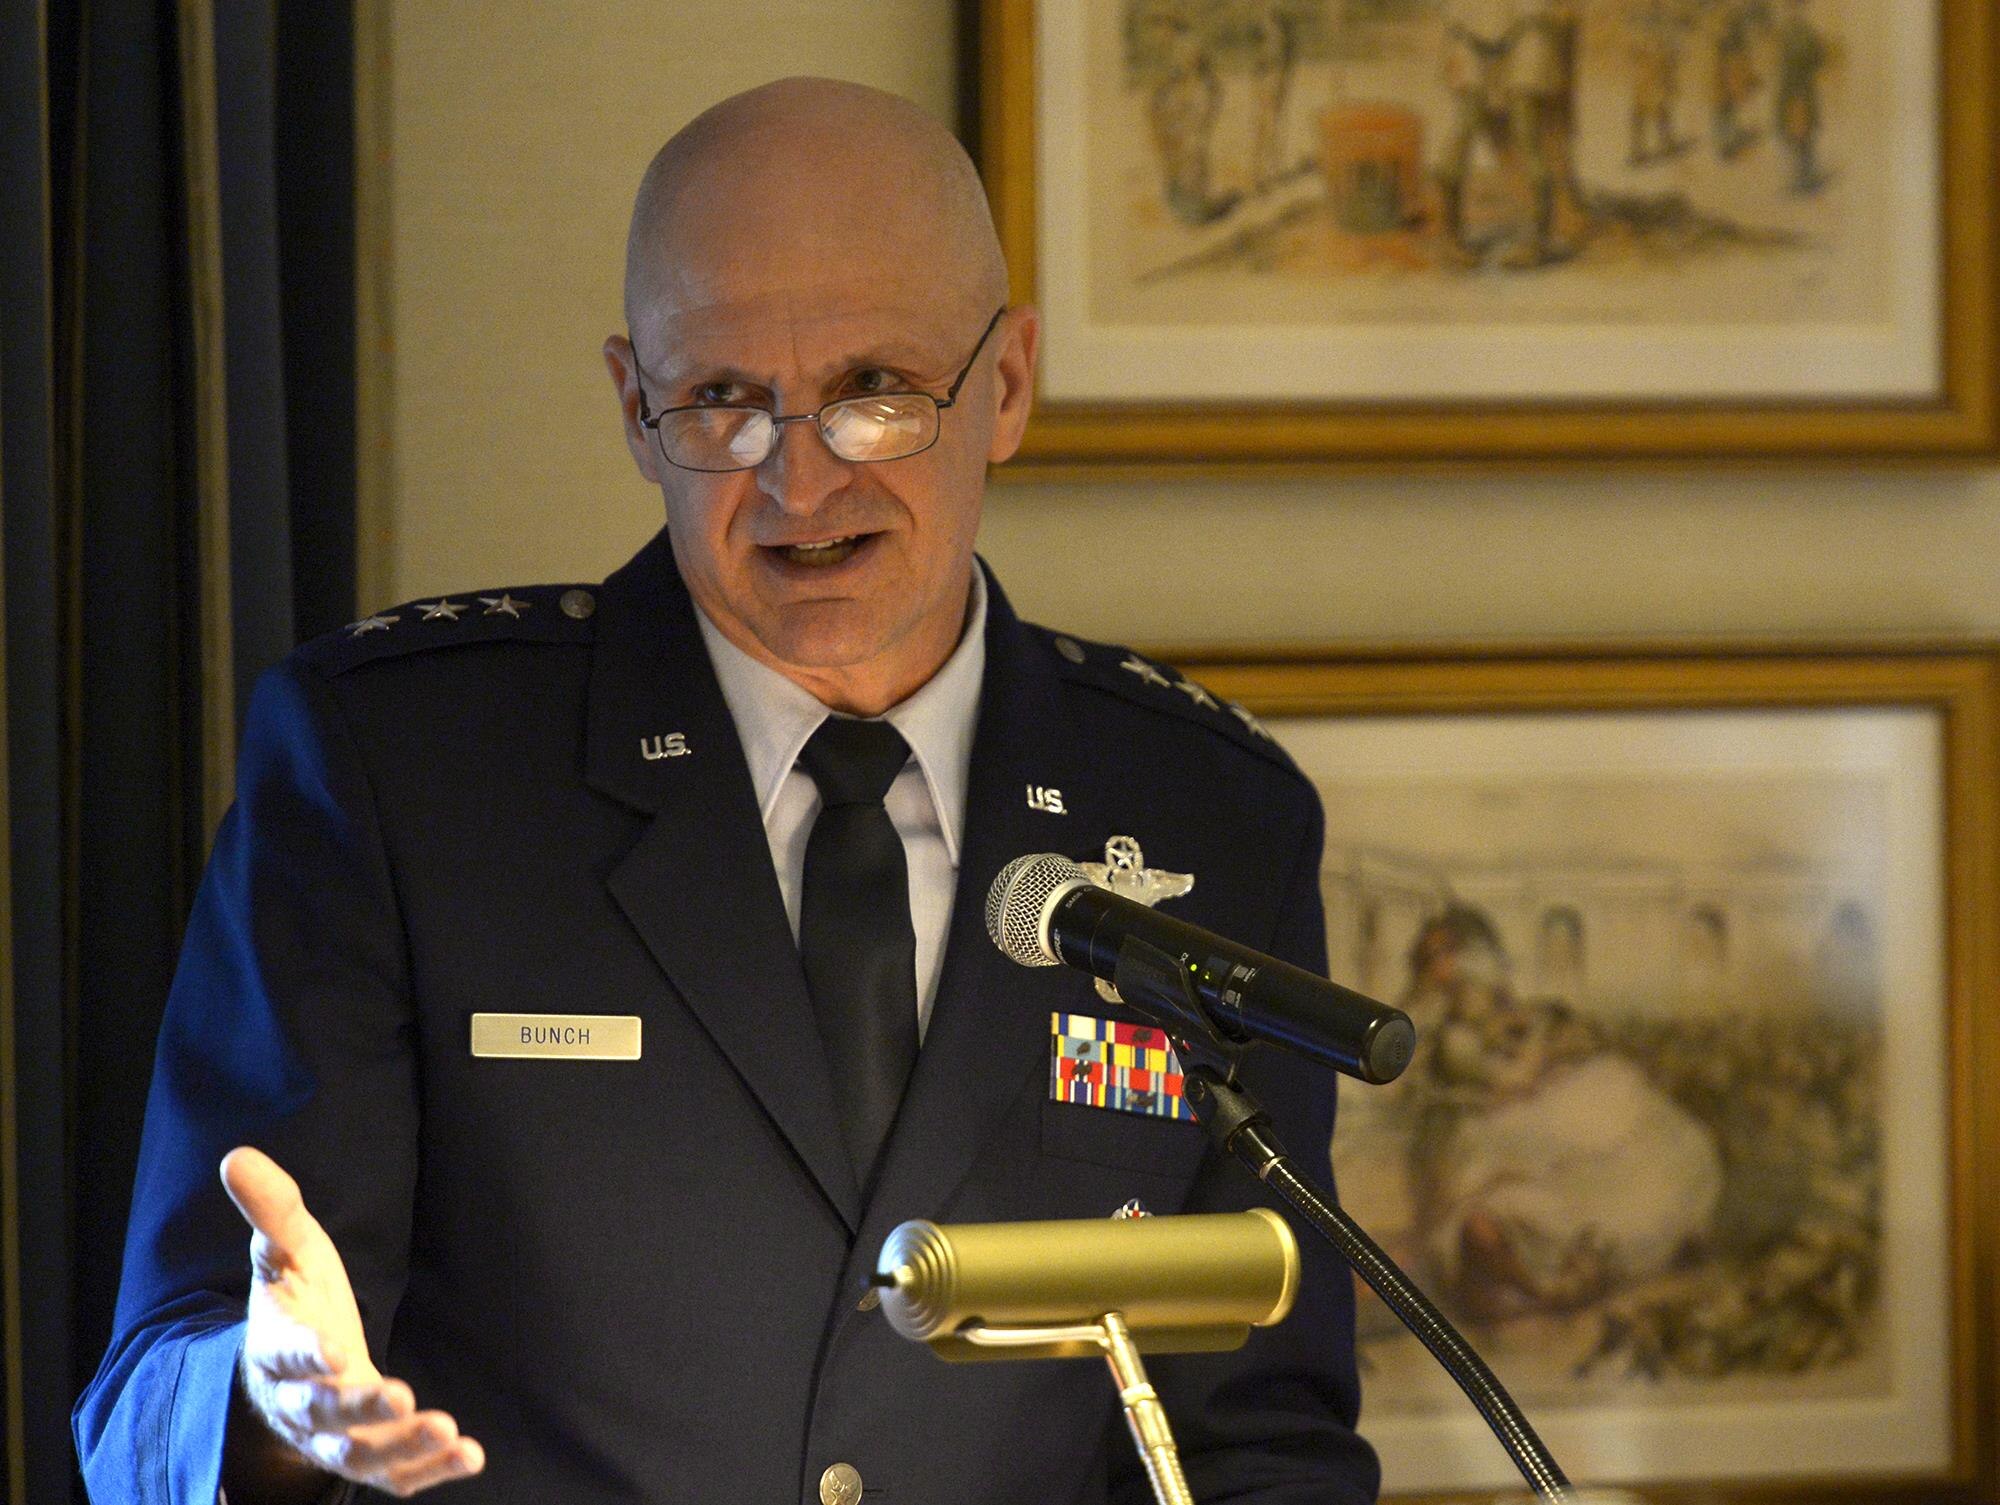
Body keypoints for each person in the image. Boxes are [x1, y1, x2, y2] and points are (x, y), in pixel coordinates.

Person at [74, 78, 1378, 1503]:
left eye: (875, 393)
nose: (800, 483)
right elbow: (147, 1399)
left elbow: (1258, 1439)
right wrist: (267, 1404)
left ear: (1003, 387)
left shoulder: (1209, 817)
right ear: (636, 408)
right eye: (725, 401)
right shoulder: (400, 773)